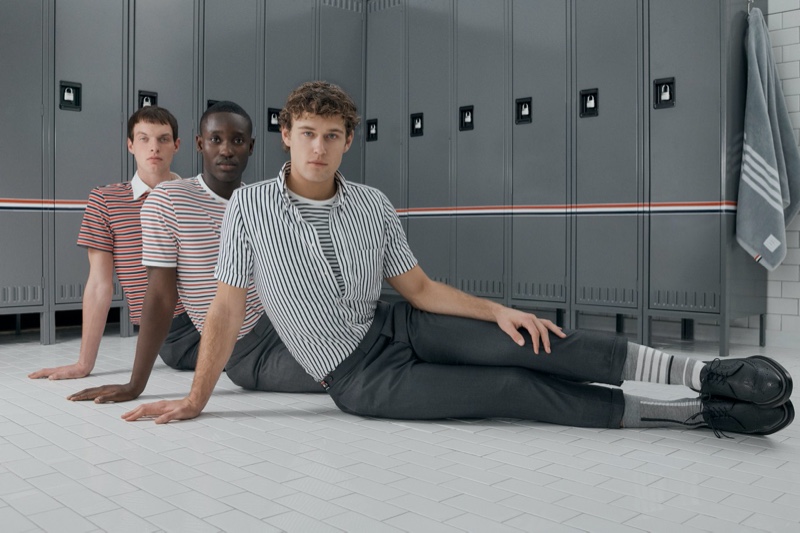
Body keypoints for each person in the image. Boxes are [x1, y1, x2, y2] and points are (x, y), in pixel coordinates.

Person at [123, 81, 794, 437]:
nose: (318, 148)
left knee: (533, 340)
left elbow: (416, 286)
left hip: (398, 323)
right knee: (507, 391)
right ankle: (693, 415)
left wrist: (498, 310)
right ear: (286, 135)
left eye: (331, 136)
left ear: (349, 140)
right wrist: (195, 396)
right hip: (356, 377)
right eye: (306, 134)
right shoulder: (251, 208)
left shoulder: (373, 204)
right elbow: (229, 308)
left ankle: (704, 371)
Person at [68, 101, 321, 403]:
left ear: (250, 146)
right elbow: (150, 293)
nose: (226, 149)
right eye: (216, 140)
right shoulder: (162, 199)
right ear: (200, 145)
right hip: (227, 340)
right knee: (345, 368)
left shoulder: (258, 202)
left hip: (275, 322)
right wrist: (132, 382)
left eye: (237, 140)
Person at [29, 106, 187, 381]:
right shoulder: (106, 201)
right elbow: (99, 284)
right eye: (143, 138)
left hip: (225, 312)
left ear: (176, 145)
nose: (154, 147)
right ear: (130, 145)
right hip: (174, 331)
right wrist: (84, 364)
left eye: (163, 139)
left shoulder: (195, 195)